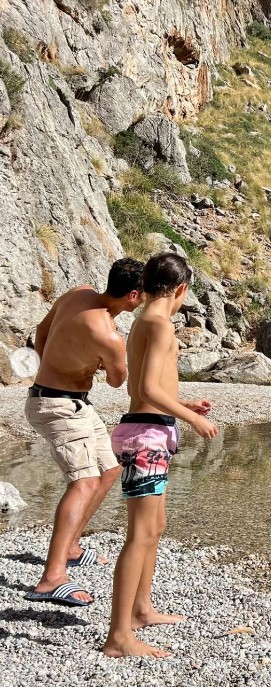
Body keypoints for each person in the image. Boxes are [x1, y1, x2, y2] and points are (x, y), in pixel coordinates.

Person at [103, 253, 218, 658]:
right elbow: (148, 390)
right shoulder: (160, 324)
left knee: (155, 527)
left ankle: (141, 608)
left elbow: (148, 389)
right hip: (145, 436)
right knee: (139, 535)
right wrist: (192, 419)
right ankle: (119, 637)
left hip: (149, 430)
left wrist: (183, 404)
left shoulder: (144, 320)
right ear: (182, 290)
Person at [24, 258, 145, 608]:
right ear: (133, 295)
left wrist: (54, 364)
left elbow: (41, 330)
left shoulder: (77, 293)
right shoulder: (109, 334)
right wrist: (99, 362)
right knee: (83, 482)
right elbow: (117, 379)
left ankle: (72, 547)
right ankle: (52, 578)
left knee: (108, 469)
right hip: (57, 407)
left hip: (71, 402)